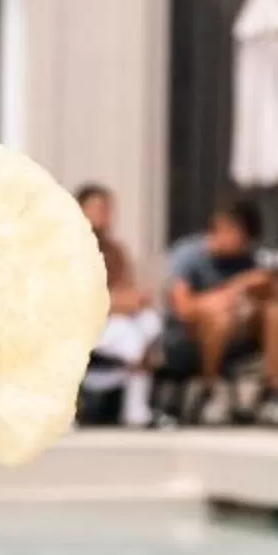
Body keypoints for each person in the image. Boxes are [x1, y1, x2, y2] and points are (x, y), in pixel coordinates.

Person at [160, 196, 278, 429]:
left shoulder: (250, 259)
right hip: (191, 336)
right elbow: (184, 308)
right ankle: (209, 392)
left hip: (238, 336)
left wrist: (268, 285)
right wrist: (235, 288)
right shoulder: (189, 254)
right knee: (221, 316)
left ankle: (275, 395)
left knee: (275, 311)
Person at [77, 184, 161, 429]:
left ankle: (137, 406)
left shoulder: (115, 251)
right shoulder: (69, 248)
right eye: (98, 208)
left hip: (115, 319)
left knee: (149, 323)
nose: (105, 215)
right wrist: (117, 302)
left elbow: (127, 290)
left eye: (108, 209)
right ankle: (134, 408)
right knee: (129, 337)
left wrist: (132, 300)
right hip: (82, 325)